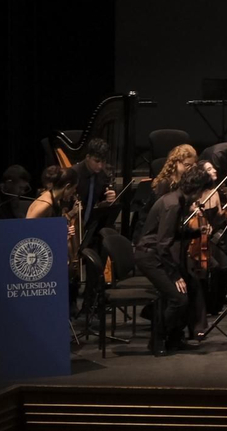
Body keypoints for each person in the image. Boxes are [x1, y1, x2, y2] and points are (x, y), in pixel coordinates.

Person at [134, 162, 210, 355]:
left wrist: (196, 232)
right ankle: (158, 339)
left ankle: (175, 338)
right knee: (179, 298)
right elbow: (162, 244)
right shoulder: (173, 204)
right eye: (202, 191)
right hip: (149, 256)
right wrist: (175, 275)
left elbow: (172, 234)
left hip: (157, 254)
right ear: (197, 190)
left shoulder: (179, 200)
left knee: (191, 288)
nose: (201, 196)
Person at [133, 144, 197, 240]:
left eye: (192, 165)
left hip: (169, 227)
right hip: (153, 233)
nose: (190, 169)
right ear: (176, 163)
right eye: (187, 165)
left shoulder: (185, 182)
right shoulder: (164, 184)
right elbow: (163, 213)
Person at [67, 139, 118, 245]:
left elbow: (102, 198)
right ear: (87, 157)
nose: (100, 166)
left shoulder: (102, 174)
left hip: (90, 227)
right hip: (71, 227)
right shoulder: (73, 174)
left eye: (103, 162)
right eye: (97, 161)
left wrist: (110, 197)